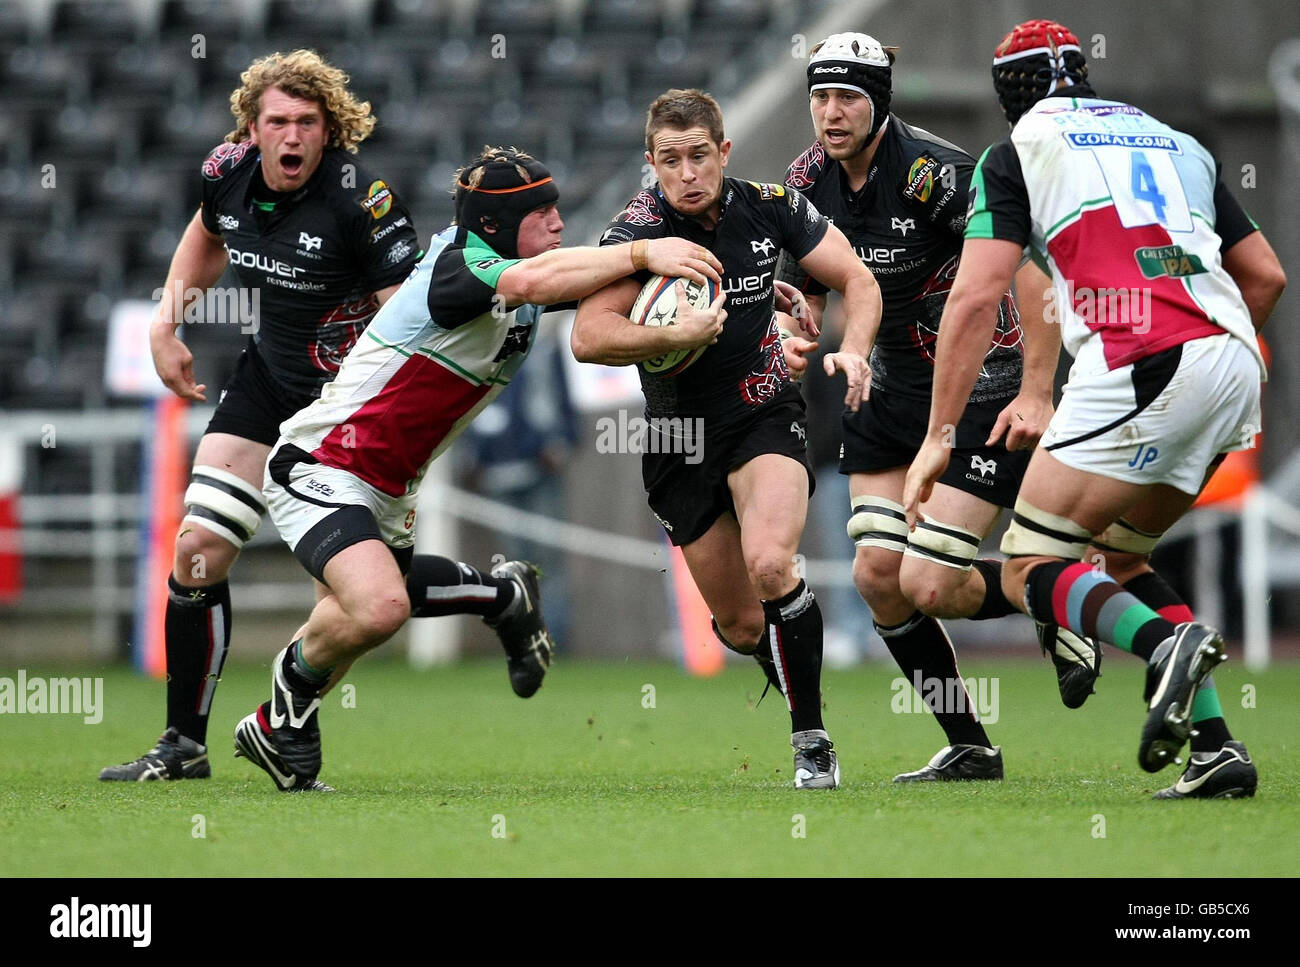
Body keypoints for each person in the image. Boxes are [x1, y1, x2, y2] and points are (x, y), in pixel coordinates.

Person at [234, 146, 723, 791]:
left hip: (391, 485)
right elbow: (535, 283)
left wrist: (753, 294)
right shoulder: (459, 262)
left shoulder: (525, 271)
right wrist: (642, 252)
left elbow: (597, 305)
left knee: (351, 618)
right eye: (540, 213)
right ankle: (278, 723)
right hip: (322, 461)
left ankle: (501, 597)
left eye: (555, 209)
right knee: (377, 607)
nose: (556, 223)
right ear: (496, 224)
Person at [904, 19, 1285, 798]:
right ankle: (1216, 749)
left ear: (1007, 93)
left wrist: (941, 433)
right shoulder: (1176, 140)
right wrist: (1211, 360)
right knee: (1119, 555)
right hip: (1237, 361)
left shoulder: (1015, 153)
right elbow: (1268, 276)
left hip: (1144, 359)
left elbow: (978, 297)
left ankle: (1165, 643)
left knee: (1029, 564)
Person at [101, 50, 422, 782]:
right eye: (278, 120)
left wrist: (395, 429)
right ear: (252, 128)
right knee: (198, 551)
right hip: (265, 387)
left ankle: (288, 728)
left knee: (355, 608)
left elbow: (406, 327)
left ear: (328, 131)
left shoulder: (361, 200)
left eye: (309, 122)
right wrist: (165, 324)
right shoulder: (227, 172)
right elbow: (206, 237)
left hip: (345, 416)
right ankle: (182, 745)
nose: (293, 136)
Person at [781, 32, 1094, 782]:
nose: (831, 112)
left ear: (879, 101)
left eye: (848, 96)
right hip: (885, 392)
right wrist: (795, 334)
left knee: (930, 582)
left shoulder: (935, 173)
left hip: (980, 391)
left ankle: (1058, 599)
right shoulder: (805, 178)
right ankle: (971, 745)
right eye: (820, 96)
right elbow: (813, 289)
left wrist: (1036, 388)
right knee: (879, 577)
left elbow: (1027, 275)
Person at [572, 89, 882, 789]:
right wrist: (669, 336)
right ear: (652, 163)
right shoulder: (635, 231)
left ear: (724, 152)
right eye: (671, 160)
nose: (688, 173)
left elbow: (856, 277)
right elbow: (589, 336)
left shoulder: (770, 205)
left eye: (700, 155)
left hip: (763, 413)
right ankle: (791, 666)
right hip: (678, 437)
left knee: (774, 564)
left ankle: (812, 741)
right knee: (744, 626)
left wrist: (854, 346)